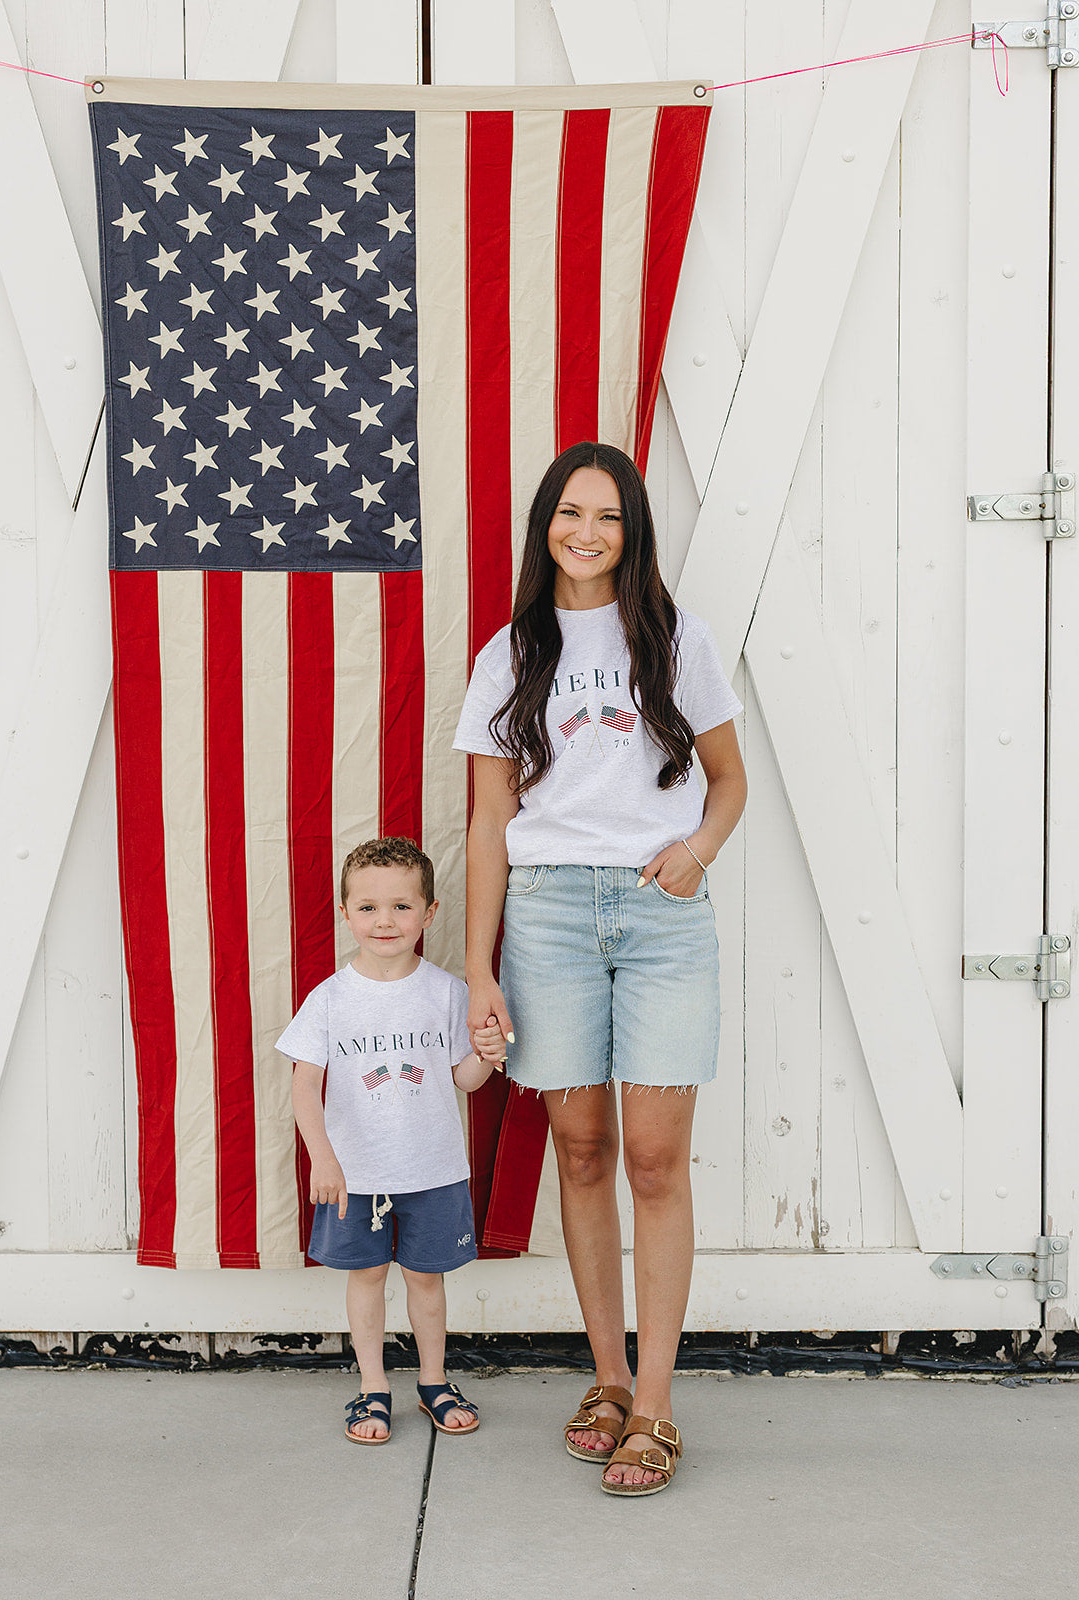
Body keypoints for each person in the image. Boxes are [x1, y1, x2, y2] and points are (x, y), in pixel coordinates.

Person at [454, 441, 746, 1497]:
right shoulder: (510, 654)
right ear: (545, 525)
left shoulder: (676, 641)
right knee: (580, 1151)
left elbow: (727, 782)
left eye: (608, 516)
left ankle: (659, 1403)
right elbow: (488, 821)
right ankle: (609, 1378)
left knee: (656, 1161)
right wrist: (480, 969)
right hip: (547, 918)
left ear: (633, 531)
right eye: (569, 513)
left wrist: (694, 855)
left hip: (661, 914)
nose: (586, 532)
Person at [280, 836, 506, 1445]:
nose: (386, 921)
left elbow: (461, 1079)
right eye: (370, 907)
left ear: (429, 913)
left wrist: (487, 1055)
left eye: (403, 907)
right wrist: (324, 1160)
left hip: (433, 1170)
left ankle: (433, 1380)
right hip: (356, 1176)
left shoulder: (449, 993)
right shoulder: (329, 1001)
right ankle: (372, 1387)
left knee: (427, 1279)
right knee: (368, 1278)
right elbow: (305, 1089)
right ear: (346, 912)